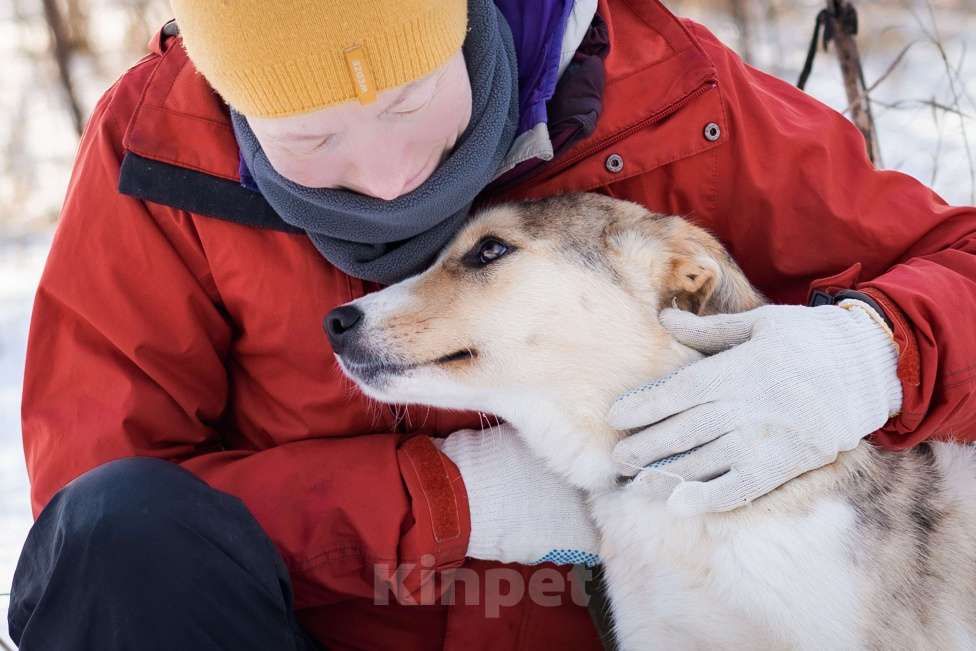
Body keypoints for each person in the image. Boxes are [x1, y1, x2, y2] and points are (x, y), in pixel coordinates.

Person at [8, 0, 976, 649]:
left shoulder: (658, 87)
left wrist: (872, 353)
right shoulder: (159, 154)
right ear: (234, 107)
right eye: (310, 137)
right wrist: (449, 501)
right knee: (115, 537)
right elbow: (107, 531)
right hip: (320, 629)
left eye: (410, 98)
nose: (388, 175)